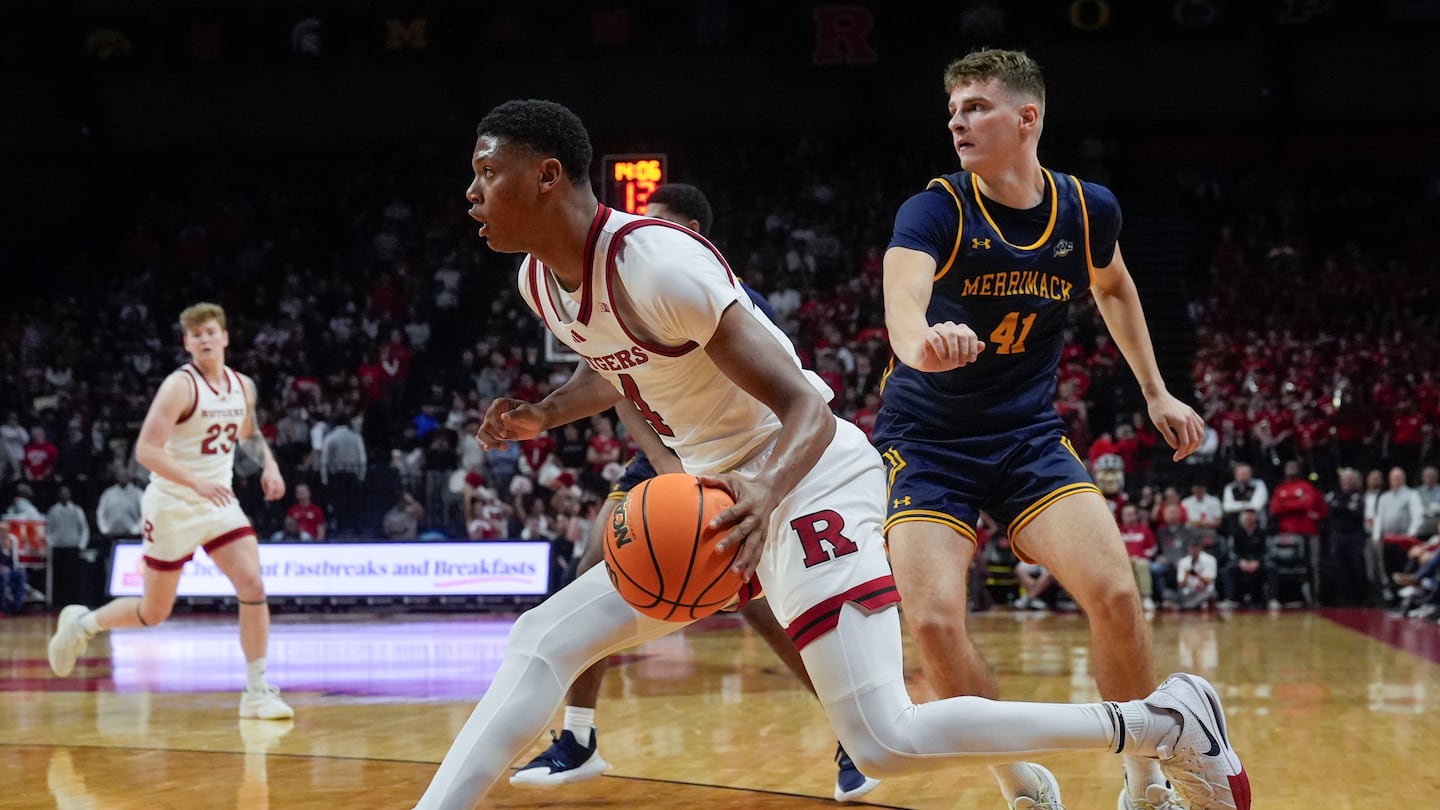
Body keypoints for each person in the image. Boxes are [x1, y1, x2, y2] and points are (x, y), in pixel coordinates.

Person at [409, 98, 1247, 810]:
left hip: (806, 477)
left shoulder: (656, 261)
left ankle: (1166, 722)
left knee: (882, 739)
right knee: (541, 640)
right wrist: (544, 415)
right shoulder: (537, 281)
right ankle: (1028, 783)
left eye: (487, 173)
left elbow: (805, 405)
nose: (472, 192)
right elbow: (620, 362)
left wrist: (762, 493)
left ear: (547, 175)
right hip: (718, 501)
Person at [870, 48, 1207, 809]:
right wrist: (921, 341)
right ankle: (1023, 783)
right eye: (952, 109)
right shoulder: (937, 209)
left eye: (976, 106)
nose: (957, 120)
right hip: (927, 443)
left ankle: (1146, 781)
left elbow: (1114, 284)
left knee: (1118, 595)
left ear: (1026, 117)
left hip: (1025, 436)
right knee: (931, 624)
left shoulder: (1087, 209)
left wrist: (1156, 391)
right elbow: (901, 303)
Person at [507, 181, 878, 801]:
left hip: (735, 453)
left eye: (655, 224)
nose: (632, 234)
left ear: (692, 237)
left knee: (756, 602)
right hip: (664, 451)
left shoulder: (702, 286)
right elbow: (614, 376)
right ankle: (579, 738)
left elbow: (789, 400)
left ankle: (852, 730)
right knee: (594, 566)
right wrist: (657, 465)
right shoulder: (603, 279)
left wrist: (690, 478)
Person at [47, 302, 294, 721]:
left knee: (252, 583)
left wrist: (269, 465)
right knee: (153, 612)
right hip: (173, 505)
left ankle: (256, 690)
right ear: (187, 344)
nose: (204, 340)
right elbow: (146, 450)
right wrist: (195, 482)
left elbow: (249, 435)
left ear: (225, 337)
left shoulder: (242, 386)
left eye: (210, 332)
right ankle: (83, 625)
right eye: (195, 335)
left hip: (219, 504)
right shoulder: (179, 386)